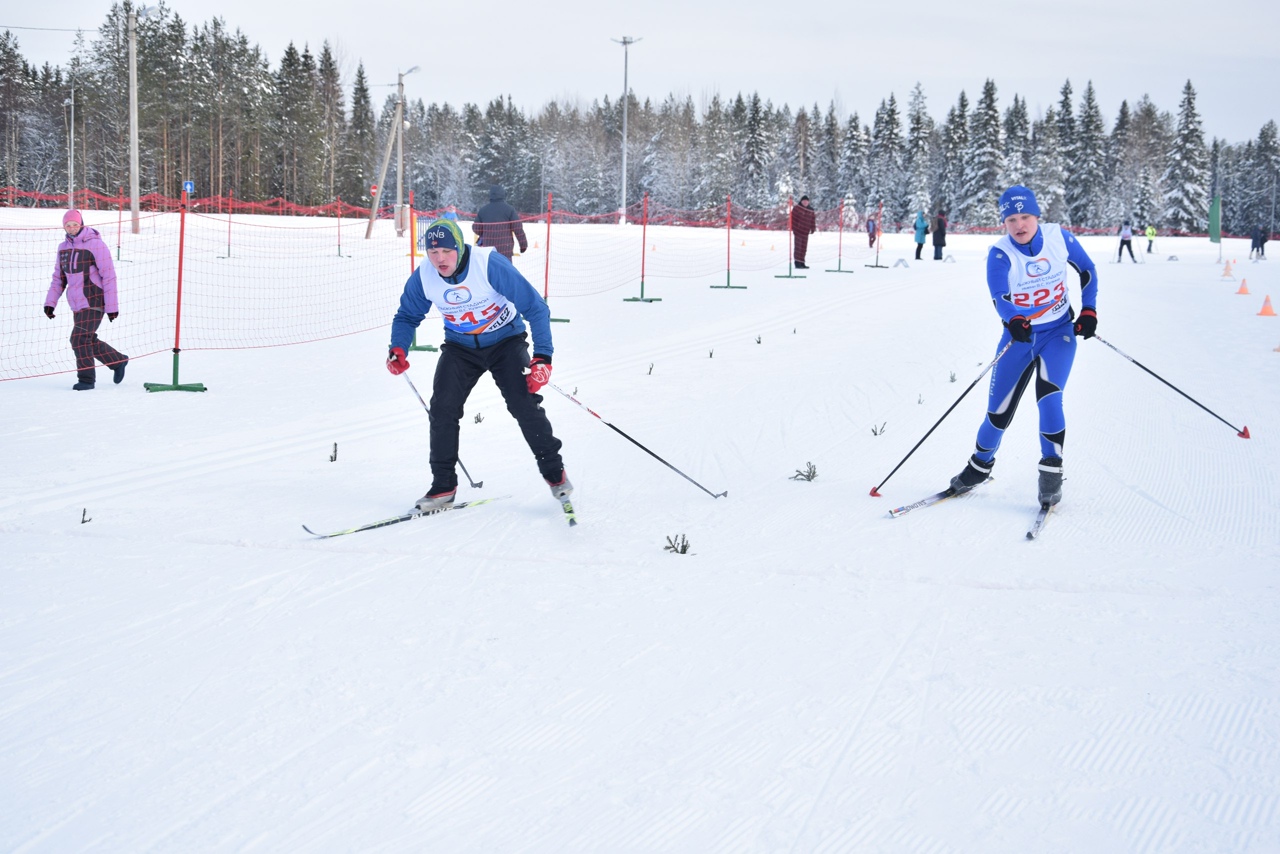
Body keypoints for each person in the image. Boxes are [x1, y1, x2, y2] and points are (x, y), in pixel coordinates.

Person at [386, 217, 569, 512]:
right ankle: (443, 486)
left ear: (459, 246)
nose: (439, 259)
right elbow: (407, 316)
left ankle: (555, 474)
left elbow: (535, 308)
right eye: (432, 253)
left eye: (446, 251)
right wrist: (398, 347)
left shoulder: (488, 264)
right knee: (443, 407)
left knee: (523, 404)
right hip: (460, 348)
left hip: (505, 343)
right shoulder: (424, 277)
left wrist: (543, 358)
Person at [949, 185, 1099, 508]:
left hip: (1059, 333)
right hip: (1020, 337)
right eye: (1012, 219)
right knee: (997, 414)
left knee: (1049, 398)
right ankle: (979, 467)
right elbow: (1000, 297)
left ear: (1037, 215)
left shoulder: (1059, 239)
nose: (1020, 225)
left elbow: (1088, 270)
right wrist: (1014, 319)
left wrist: (1089, 310)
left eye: (1026, 216)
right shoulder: (1000, 254)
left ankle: (1051, 473)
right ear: (1004, 222)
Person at [44, 210, 128, 390]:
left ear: (81, 224)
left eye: (75, 224)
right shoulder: (63, 248)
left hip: (94, 299)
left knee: (78, 338)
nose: (72, 228)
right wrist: (50, 303)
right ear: (64, 227)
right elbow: (59, 278)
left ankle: (86, 380)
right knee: (86, 338)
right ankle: (117, 361)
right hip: (77, 303)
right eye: (68, 225)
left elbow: (109, 276)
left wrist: (111, 306)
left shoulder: (95, 245)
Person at [471, 185, 528, 260]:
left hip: (488, 249)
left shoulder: (483, 210)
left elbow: (476, 228)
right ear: (503, 194)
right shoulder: (510, 209)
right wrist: (523, 245)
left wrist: (485, 231)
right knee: (505, 270)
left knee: (490, 270)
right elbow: (518, 228)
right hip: (505, 249)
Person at [791, 195, 817, 268]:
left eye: (806, 201)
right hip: (798, 231)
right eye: (804, 201)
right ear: (801, 201)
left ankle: (802, 262)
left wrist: (813, 228)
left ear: (808, 202)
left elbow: (812, 220)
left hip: (806, 231)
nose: (805, 202)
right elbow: (793, 220)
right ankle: (797, 263)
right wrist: (795, 229)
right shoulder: (797, 208)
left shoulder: (811, 210)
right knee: (798, 247)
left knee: (804, 248)